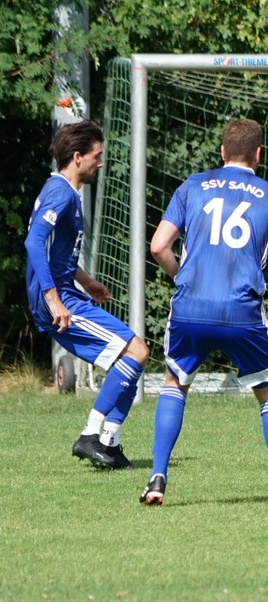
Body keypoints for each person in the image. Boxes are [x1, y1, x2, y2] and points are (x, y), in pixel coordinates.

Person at [144, 118, 268, 505]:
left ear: (221, 152)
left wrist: (183, 278)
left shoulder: (192, 186)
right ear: (258, 154)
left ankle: (156, 478)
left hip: (190, 307)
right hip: (241, 311)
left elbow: (158, 246)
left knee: (175, 383)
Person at [25, 119, 150, 469]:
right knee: (136, 351)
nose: (101, 162)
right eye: (97, 155)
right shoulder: (61, 192)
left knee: (136, 354)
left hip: (66, 292)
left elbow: (57, 252)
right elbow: (34, 242)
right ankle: (92, 435)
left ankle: (109, 442)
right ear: (78, 157)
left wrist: (87, 281)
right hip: (56, 299)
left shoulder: (65, 191)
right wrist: (53, 299)